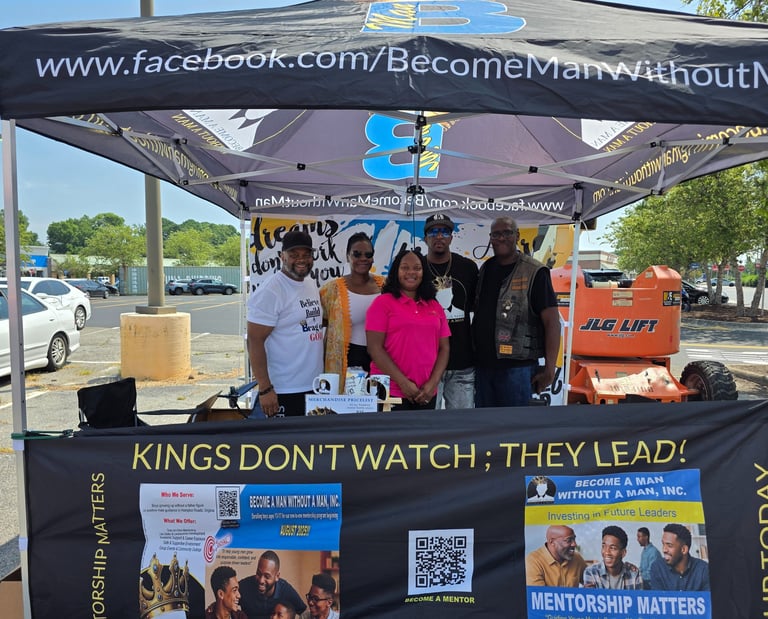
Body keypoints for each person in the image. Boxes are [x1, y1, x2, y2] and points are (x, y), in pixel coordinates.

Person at [472, 217, 560, 407]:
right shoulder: (486, 269)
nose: (501, 238)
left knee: (515, 423)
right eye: (496, 234)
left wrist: (550, 368)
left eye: (507, 232)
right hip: (483, 367)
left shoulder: (535, 272)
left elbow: (552, 322)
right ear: (490, 238)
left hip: (518, 369)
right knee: (483, 423)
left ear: (517, 235)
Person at [247, 230, 324, 417]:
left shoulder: (310, 283)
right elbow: (254, 340)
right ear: (282, 256)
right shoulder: (272, 290)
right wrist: (265, 388)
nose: (301, 260)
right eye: (294, 255)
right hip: (284, 389)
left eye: (306, 254)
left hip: (314, 385)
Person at [366, 249, 450, 410]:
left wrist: (433, 384)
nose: (411, 272)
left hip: (426, 393)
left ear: (423, 272)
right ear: (396, 271)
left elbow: (444, 348)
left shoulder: (434, 306)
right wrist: (403, 383)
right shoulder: (382, 303)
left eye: (417, 268)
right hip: (390, 391)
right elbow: (374, 348)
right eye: (405, 267)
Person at [423, 213, 478, 409]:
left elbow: (478, 309)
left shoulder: (468, 267)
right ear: (425, 238)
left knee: (463, 423)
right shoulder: (417, 268)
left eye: (445, 231)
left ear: (451, 237)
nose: (439, 236)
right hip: (426, 363)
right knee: (427, 423)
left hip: (462, 362)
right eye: (434, 232)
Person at [319, 232, 385, 389]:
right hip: (347, 358)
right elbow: (321, 321)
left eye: (368, 255)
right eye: (357, 254)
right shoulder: (331, 290)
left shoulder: (386, 286)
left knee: (380, 401)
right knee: (347, 401)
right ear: (348, 256)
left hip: (382, 358)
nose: (363, 258)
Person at [239, 551, 307, 619]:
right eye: (258, 573)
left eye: (267, 576)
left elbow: (304, 613)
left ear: (277, 576)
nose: (261, 580)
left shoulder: (285, 590)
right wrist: (236, 613)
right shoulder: (244, 586)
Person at [650, 523, 710, 591]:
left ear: (683, 550)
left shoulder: (703, 569)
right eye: (663, 544)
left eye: (669, 545)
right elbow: (658, 596)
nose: (664, 550)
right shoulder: (657, 568)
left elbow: (708, 597)